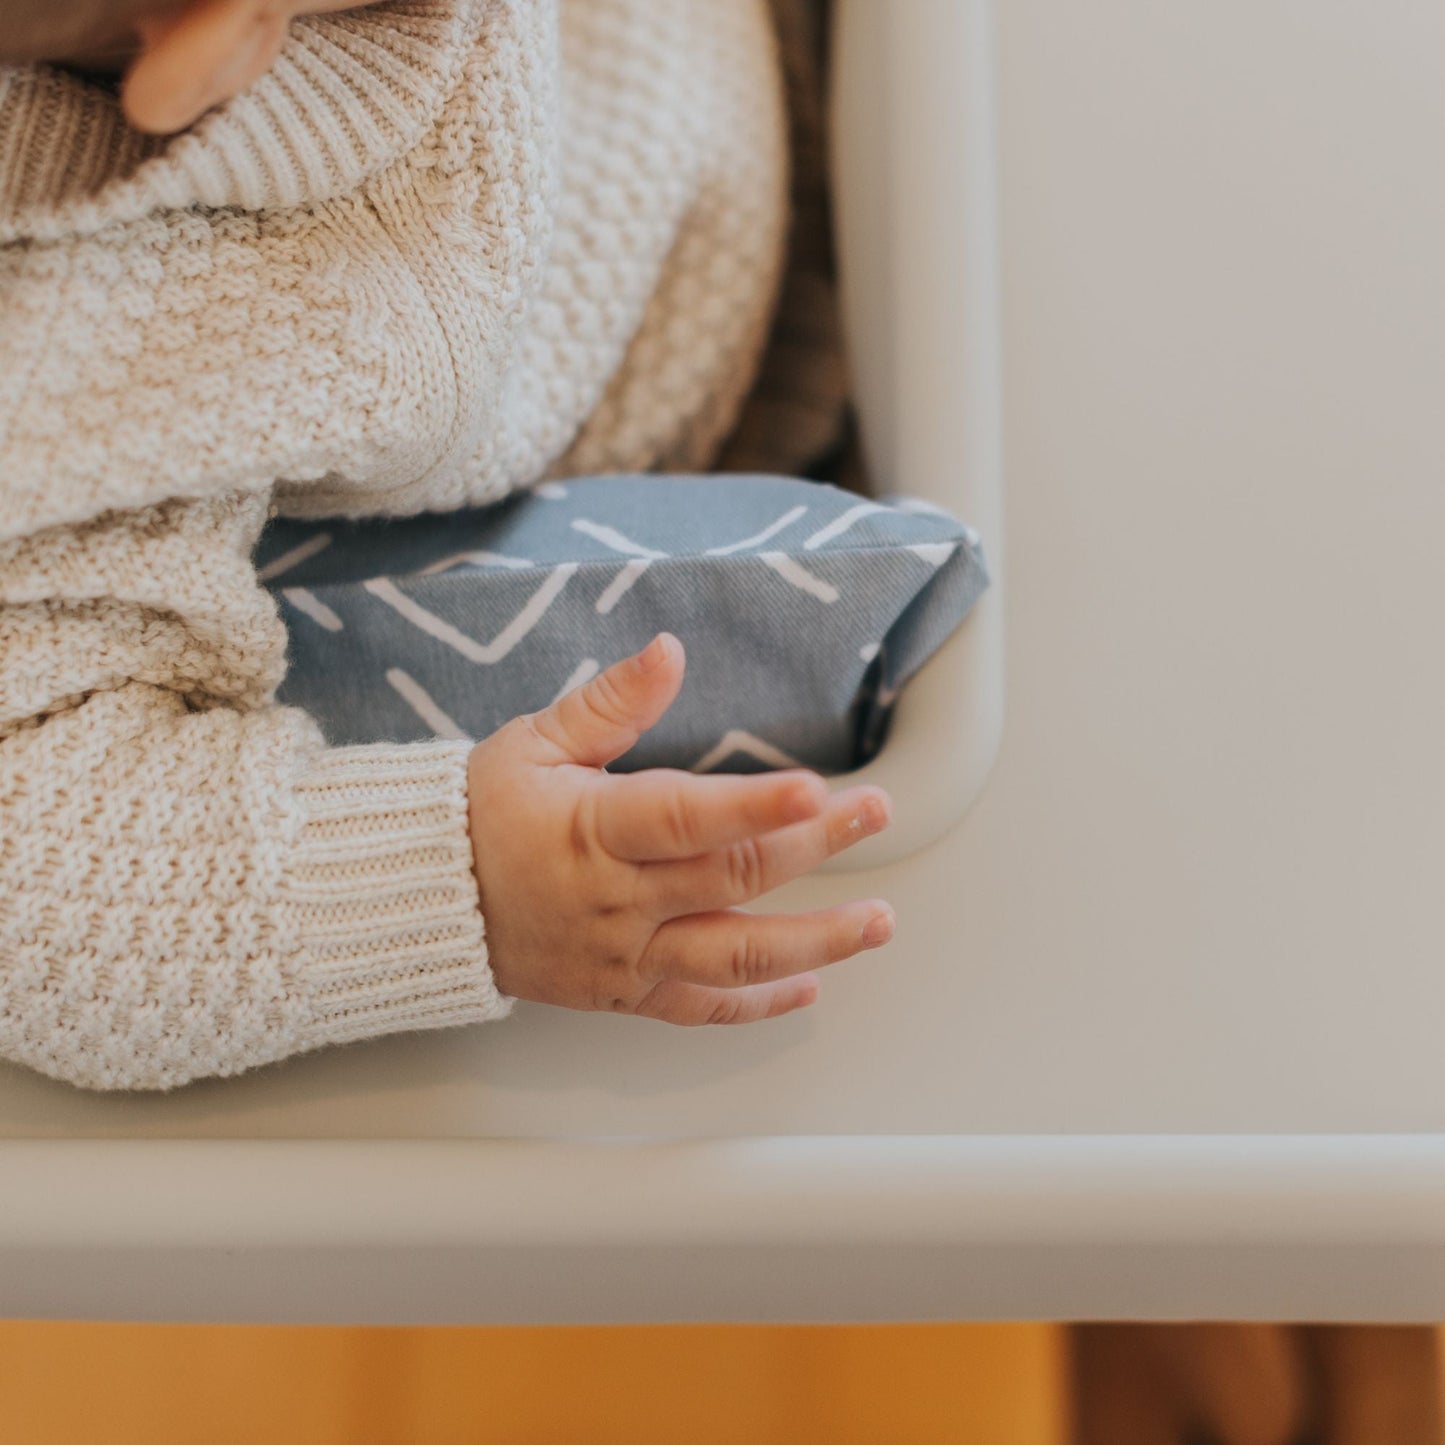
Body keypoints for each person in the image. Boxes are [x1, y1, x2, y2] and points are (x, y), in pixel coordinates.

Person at [0, 0, 896, 1091]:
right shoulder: (71, 382)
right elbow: (45, 884)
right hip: (734, 310)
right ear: (215, 39)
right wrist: (471, 882)